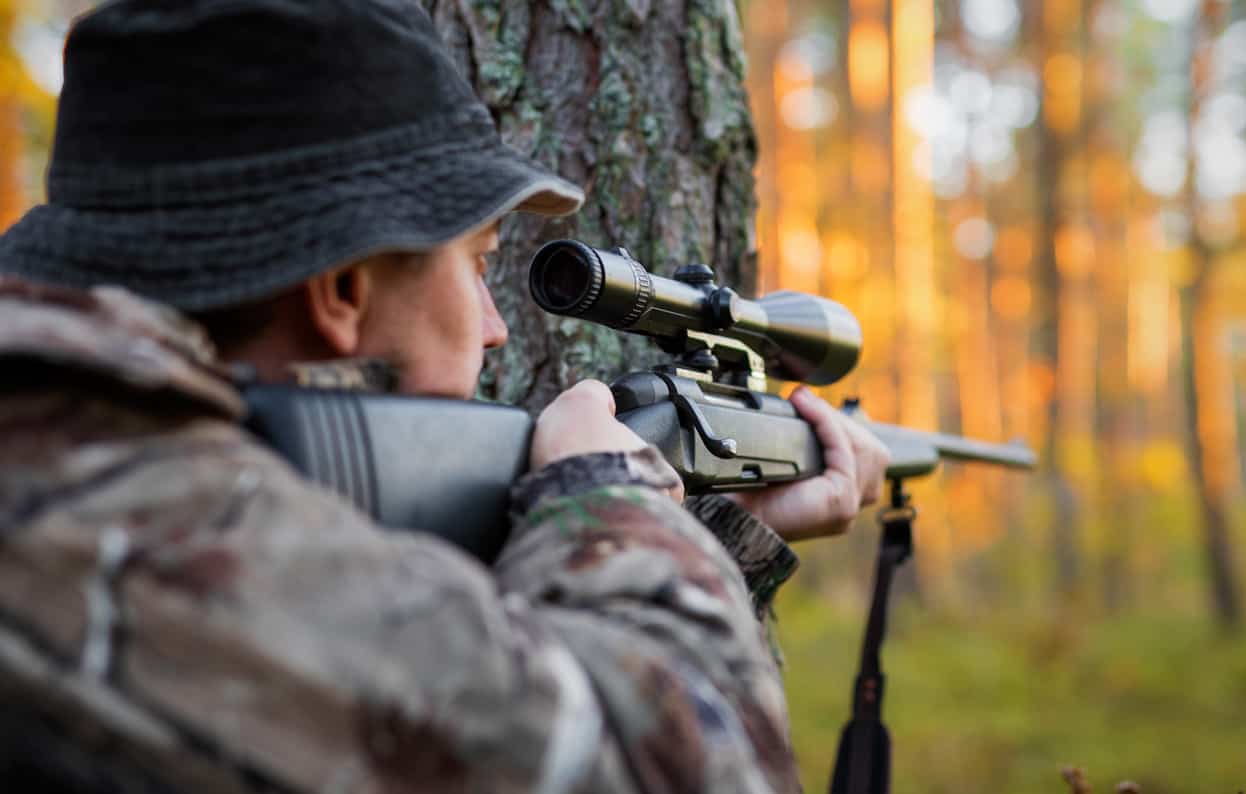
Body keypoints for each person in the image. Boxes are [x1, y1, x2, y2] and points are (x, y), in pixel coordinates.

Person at [0, 1, 890, 792]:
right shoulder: (139, 522)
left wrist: (697, 528)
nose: (497, 326)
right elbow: (696, 767)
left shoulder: (77, 456)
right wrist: (607, 497)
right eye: (474, 266)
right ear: (342, 291)